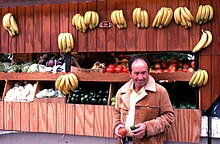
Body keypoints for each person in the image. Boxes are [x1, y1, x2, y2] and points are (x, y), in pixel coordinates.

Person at [113, 56, 175, 144]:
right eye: (136, 73)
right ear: (130, 73)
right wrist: (117, 125)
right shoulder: (122, 91)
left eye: (144, 73)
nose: (140, 77)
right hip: (124, 141)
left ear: (148, 72)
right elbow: (117, 111)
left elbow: (169, 116)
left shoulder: (160, 92)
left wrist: (147, 127)